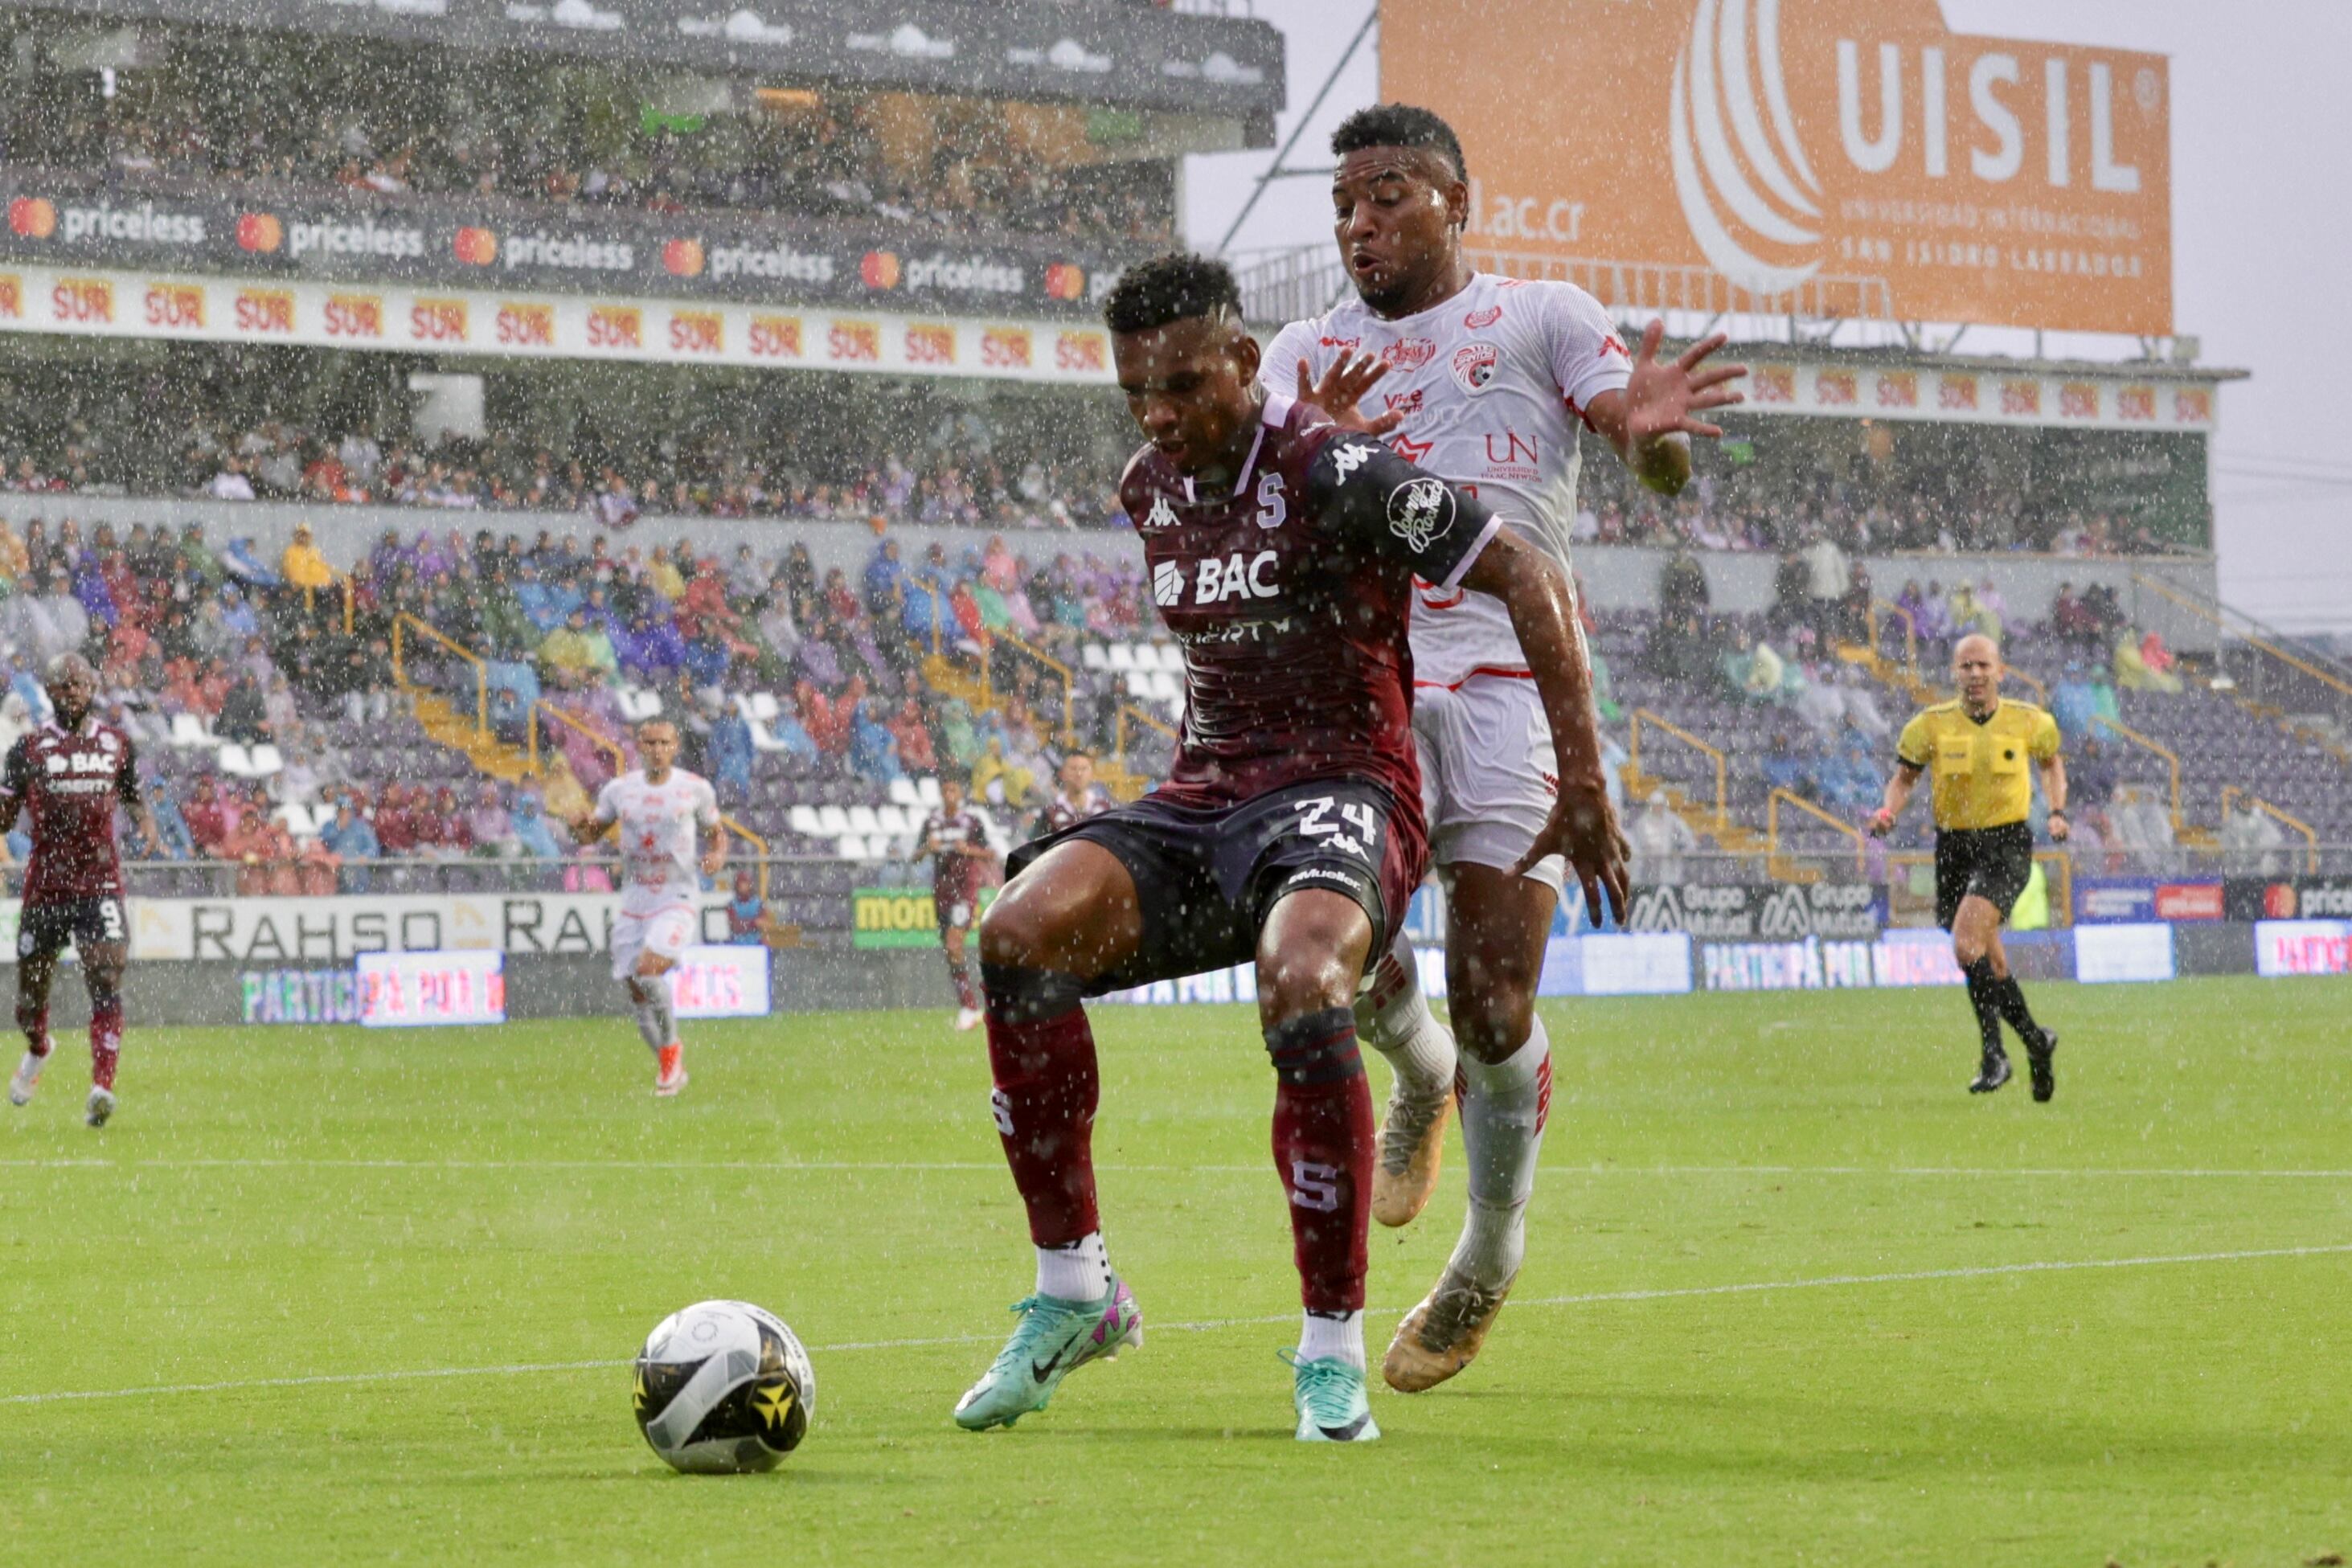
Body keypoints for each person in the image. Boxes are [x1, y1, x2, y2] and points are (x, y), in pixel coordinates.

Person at [953, 252, 1625, 1443]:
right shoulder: (1147, 485)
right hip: (1204, 794)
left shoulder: (1337, 467)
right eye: (1135, 394)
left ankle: (1329, 1351)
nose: (1158, 415)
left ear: (1242, 362)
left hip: (1345, 786)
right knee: (1011, 933)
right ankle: (1075, 1290)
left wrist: (1581, 774)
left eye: (1179, 384)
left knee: (1305, 974)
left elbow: (1523, 568)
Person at [1264, 102, 1739, 1396]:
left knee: (1495, 1003)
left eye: (1390, 194)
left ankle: (1485, 1250)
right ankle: (1414, 1072)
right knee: (1322, 956)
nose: (1362, 222)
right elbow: (1249, 510)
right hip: (1360, 684)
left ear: (1459, 199)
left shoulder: (1542, 315)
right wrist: (1297, 445)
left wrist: (1654, 448)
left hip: (1514, 685)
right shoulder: (1303, 351)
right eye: (1345, 205)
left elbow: (1650, 451)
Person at [1870, 634, 2067, 1101]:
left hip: (2005, 844)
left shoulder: (2029, 721)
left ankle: (1994, 1054)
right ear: (1954, 674)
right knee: (1987, 957)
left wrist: (2057, 811)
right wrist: (1888, 811)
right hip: (1954, 848)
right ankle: (2037, 1042)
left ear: (2001, 672)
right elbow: (1904, 779)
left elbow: (2052, 765)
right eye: (1966, 666)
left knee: (1965, 943)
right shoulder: (1929, 726)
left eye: (1983, 665)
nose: (1975, 674)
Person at [2, 654, 163, 1128]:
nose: (72, 691)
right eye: (63, 685)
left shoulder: (116, 744)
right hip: (47, 886)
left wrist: (147, 823)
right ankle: (39, 1047)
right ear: (50, 692)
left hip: (99, 882)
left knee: (106, 975)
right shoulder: (28, 750)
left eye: (80, 684)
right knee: (30, 1002)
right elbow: (4, 815)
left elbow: (133, 794)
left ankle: (102, 1088)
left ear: (93, 688)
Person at [566, 718, 723, 1098]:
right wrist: (578, 828)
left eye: (664, 742)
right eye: (650, 742)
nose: (657, 749)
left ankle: (671, 1050)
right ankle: (670, 1063)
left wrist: (717, 854)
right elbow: (592, 834)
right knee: (638, 994)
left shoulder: (695, 789)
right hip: (635, 901)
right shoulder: (620, 791)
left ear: (675, 745)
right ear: (639, 745)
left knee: (649, 970)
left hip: (676, 897)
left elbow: (715, 832)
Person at [910, 774, 998, 1033]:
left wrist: (968, 850)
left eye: (953, 789)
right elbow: (914, 857)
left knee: (954, 942)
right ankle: (970, 1008)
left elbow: (991, 853)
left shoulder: (972, 822)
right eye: (945, 789)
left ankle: (970, 1007)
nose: (949, 794)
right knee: (951, 951)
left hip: (965, 890)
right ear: (940, 793)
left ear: (960, 794)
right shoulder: (932, 822)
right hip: (941, 890)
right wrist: (927, 848)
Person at [1036, 750, 1112, 838]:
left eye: (1084, 769)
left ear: (1092, 773)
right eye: (1073, 769)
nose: (1079, 774)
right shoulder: (1050, 812)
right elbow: (1035, 848)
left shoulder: (1105, 809)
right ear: (1062, 774)